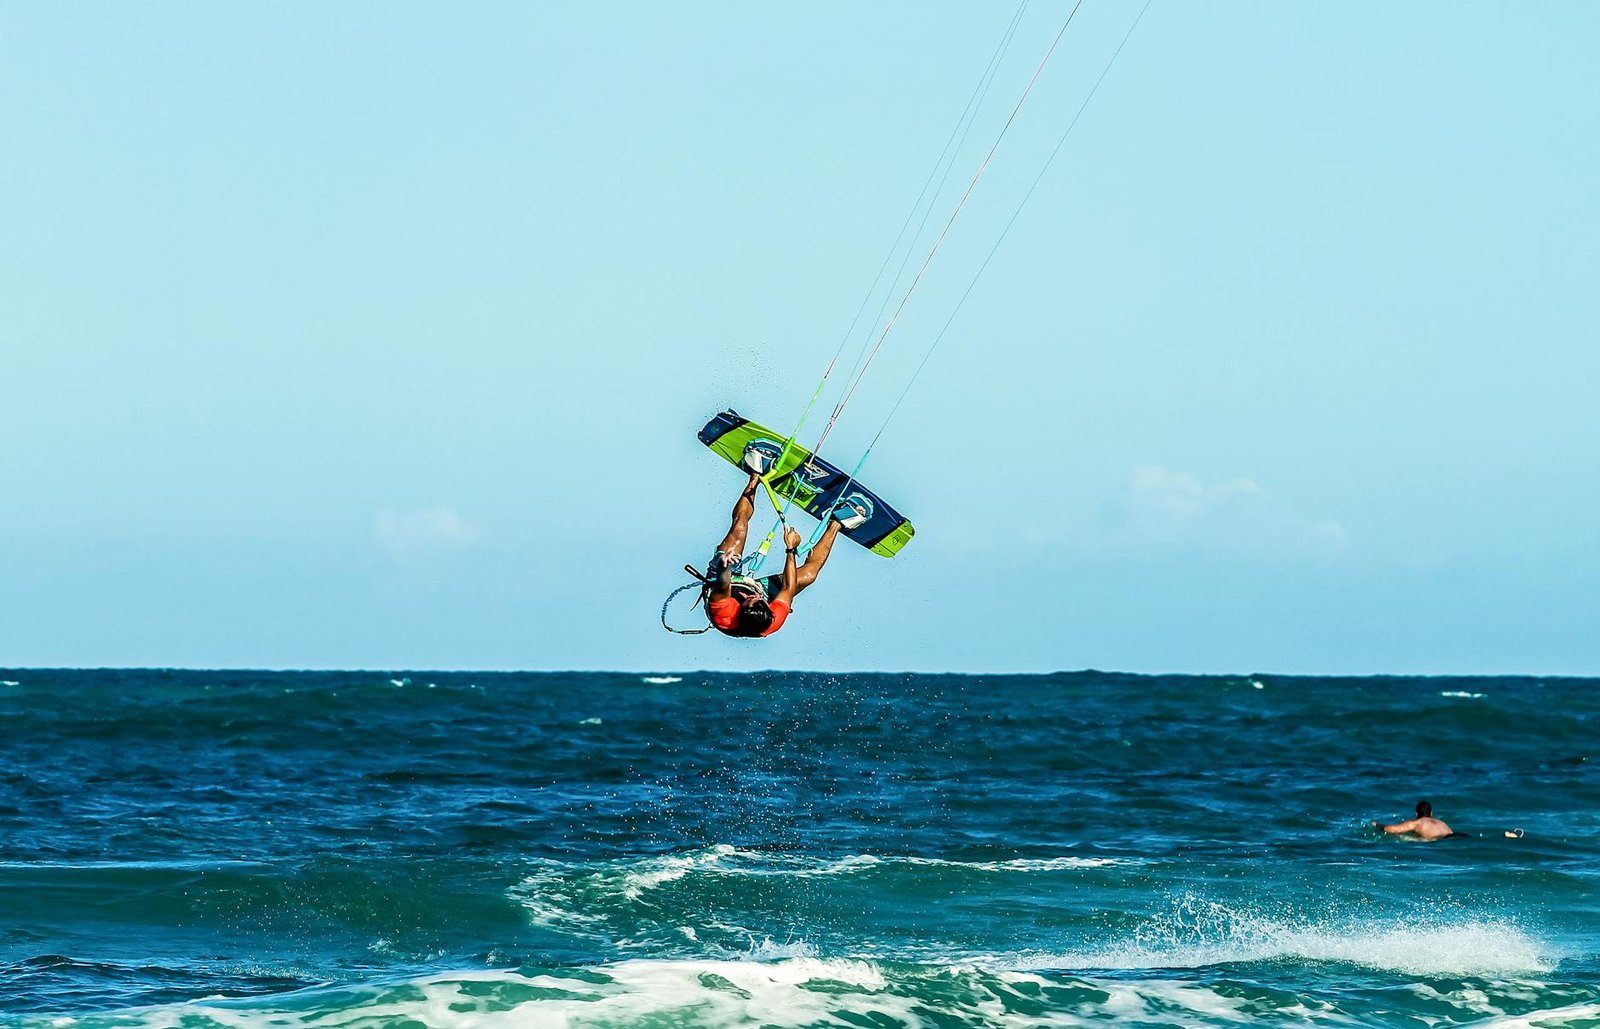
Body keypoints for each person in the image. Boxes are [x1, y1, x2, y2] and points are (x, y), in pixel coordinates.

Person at [703, 450, 867, 638]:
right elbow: (788, 588)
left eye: (749, 600)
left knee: (739, 530)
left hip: (724, 580)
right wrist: (791, 549)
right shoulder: (774, 619)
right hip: (755, 592)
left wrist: (725, 564)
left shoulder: (724, 612)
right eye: (755, 599)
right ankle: (838, 522)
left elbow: (723, 585)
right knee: (809, 575)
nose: (749, 597)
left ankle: (756, 473)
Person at [1372, 800, 1458, 840]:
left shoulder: (1416, 823)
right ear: (1431, 813)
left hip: (1439, 840)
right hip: (1453, 837)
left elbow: (1390, 829)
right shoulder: (1441, 823)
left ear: (1416, 814)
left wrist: (1377, 825)